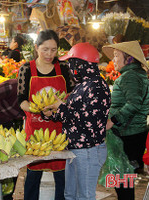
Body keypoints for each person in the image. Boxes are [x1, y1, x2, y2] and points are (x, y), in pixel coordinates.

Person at [43, 42, 111, 200]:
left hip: (88, 150)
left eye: (71, 64)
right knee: (70, 195)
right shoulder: (84, 85)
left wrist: (62, 107)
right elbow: (74, 115)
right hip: (76, 148)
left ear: (81, 65)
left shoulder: (97, 87)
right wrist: (52, 113)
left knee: (84, 196)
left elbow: (90, 121)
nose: (70, 68)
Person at [17, 29, 75, 200]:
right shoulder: (26, 68)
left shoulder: (64, 67)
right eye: (45, 49)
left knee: (62, 177)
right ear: (36, 48)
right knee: (33, 176)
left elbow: (72, 94)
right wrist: (36, 109)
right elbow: (21, 99)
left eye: (53, 49)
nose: (49, 54)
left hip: (59, 130)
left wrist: (61, 105)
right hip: (35, 130)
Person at [103, 40, 149, 200]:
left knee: (123, 181)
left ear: (128, 59)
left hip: (128, 136)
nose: (113, 60)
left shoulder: (131, 77)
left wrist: (113, 120)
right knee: (124, 179)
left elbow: (134, 104)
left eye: (116, 56)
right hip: (132, 133)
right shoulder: (135, 75)